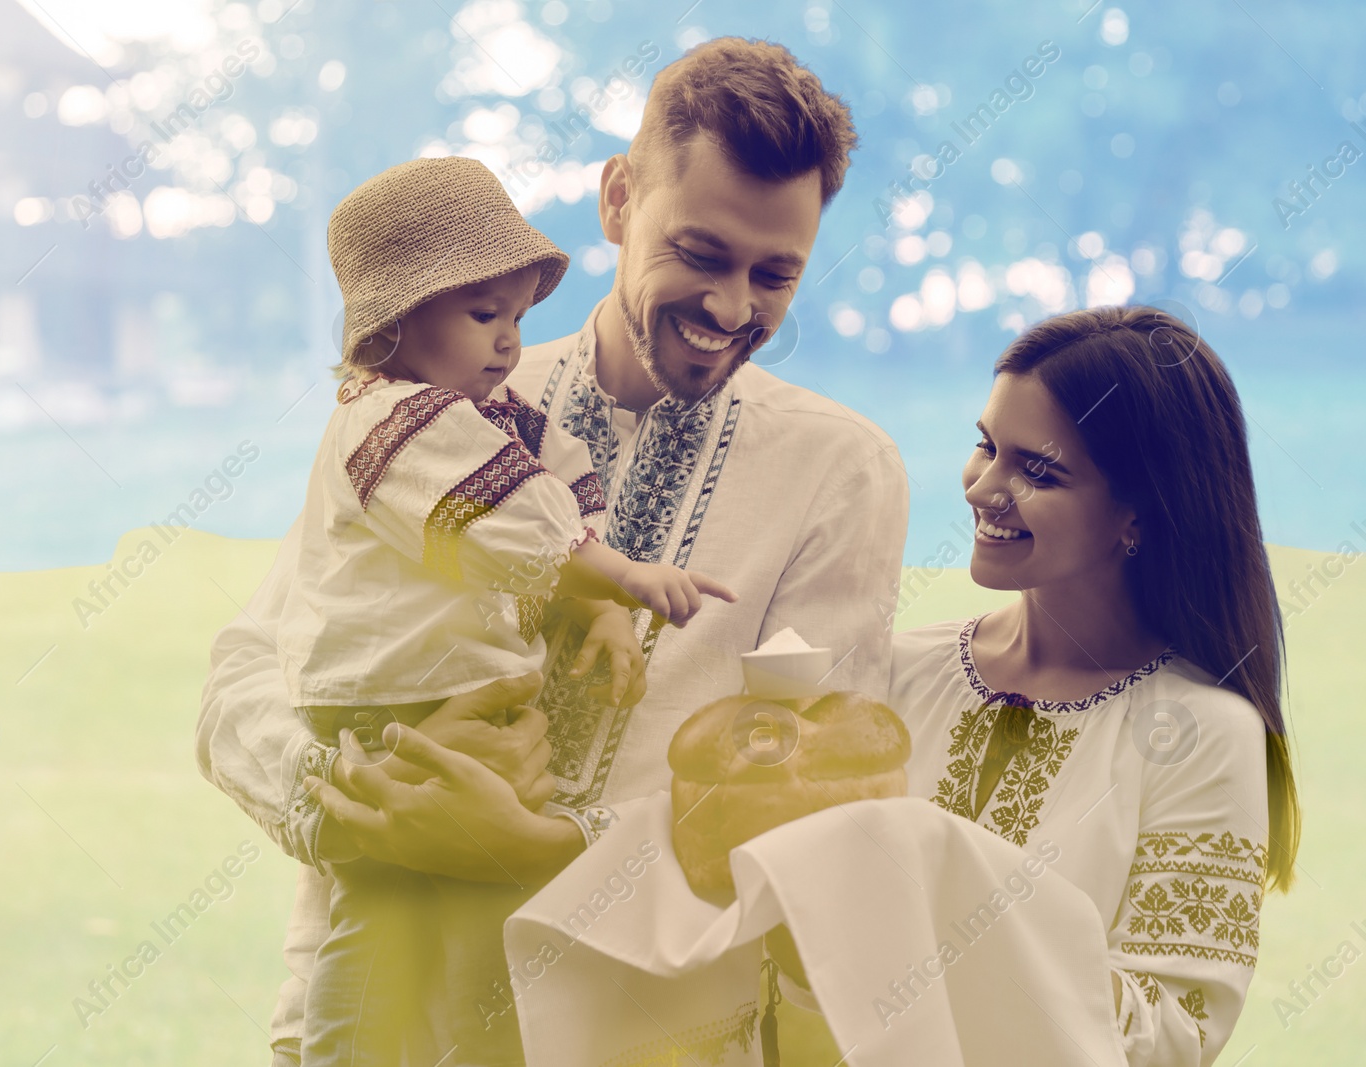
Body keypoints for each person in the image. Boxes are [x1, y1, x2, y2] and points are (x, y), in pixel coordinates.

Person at [197, 37, 910, 1064]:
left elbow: (814, 806)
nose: (729, 308)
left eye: (774, 274)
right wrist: (360, 804)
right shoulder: (424, 407)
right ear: (619, 200)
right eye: (701, 254)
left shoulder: (840, 473)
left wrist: (554, 849)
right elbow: (243, 677)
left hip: (639, 1032)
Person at [279, 154, 734, 1063]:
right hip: (392, 706)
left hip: (454, 698)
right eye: (484, 315)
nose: (508, 342)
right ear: (398, 323)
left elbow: (559, 472)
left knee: (461, 917)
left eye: (519, 317)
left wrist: (597, 605)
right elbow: (502, 515)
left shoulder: (485, 412)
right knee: (383, 905)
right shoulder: (391, 421)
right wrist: (620, 574)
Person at [768, 305, 1301, 1065]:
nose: (984, 487)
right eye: (985, 446)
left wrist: (924, 881)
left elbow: (1171, 1031)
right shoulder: (890, 666)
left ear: (1138, 514)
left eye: (1039, 470)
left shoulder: (1203, 731)